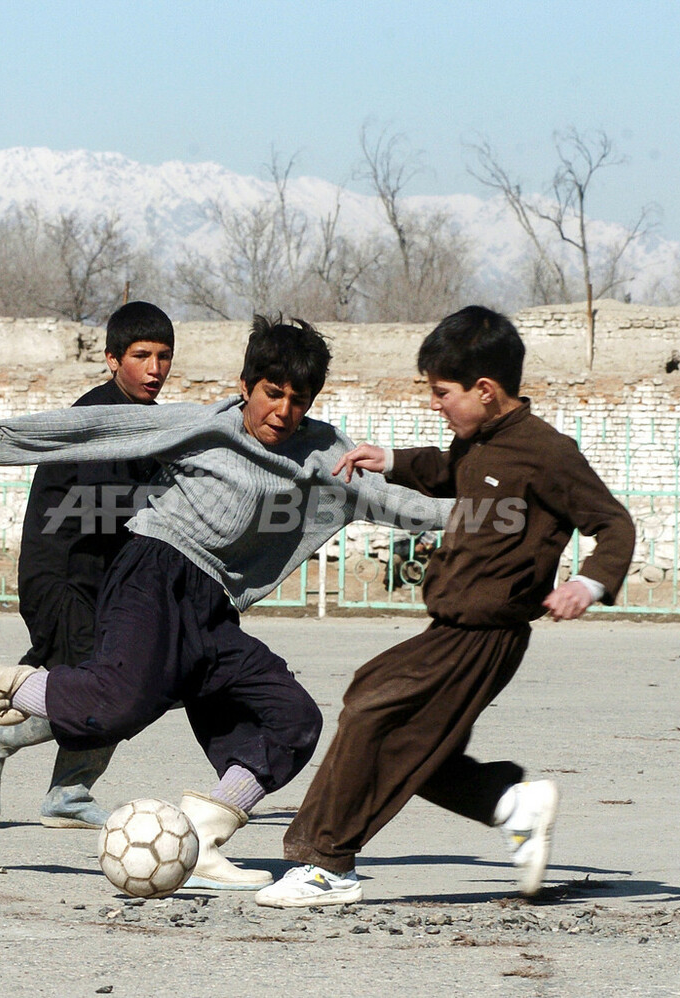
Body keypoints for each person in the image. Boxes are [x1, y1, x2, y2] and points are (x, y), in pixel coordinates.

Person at [0, 314, 454, 892]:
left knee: (293, 721)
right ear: (245, 386)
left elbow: (396, 504)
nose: (283, 411)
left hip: (212, 607)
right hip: (154, 573)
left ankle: (203, 836)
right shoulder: (202, 426)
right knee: (115, 706)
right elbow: (94, 429)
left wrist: (497, 514)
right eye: (272, 393)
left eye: (298, 398)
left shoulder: (323, 450)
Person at [255, 305, 636, 908]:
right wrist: (394, 462)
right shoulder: (477, 441)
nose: (436, 403)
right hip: (451, 628)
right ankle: (509, 803)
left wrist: (587, 586)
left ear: (484, 391)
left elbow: (613, 525)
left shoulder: (548, 454)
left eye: (442, 392)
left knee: (373, 710)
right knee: (416, 746)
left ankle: (326, 865)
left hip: (486, 635)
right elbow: (446, 470)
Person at [0, 300, 174, 830]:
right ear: (111, 359)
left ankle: (68, 792)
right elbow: (107, 505)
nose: (154, 369)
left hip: (102, 582)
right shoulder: (93, 418)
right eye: (141, 355)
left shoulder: (149, 422)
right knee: (108, 693)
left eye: (163, 356)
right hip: (60, 577)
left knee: (119, 684)